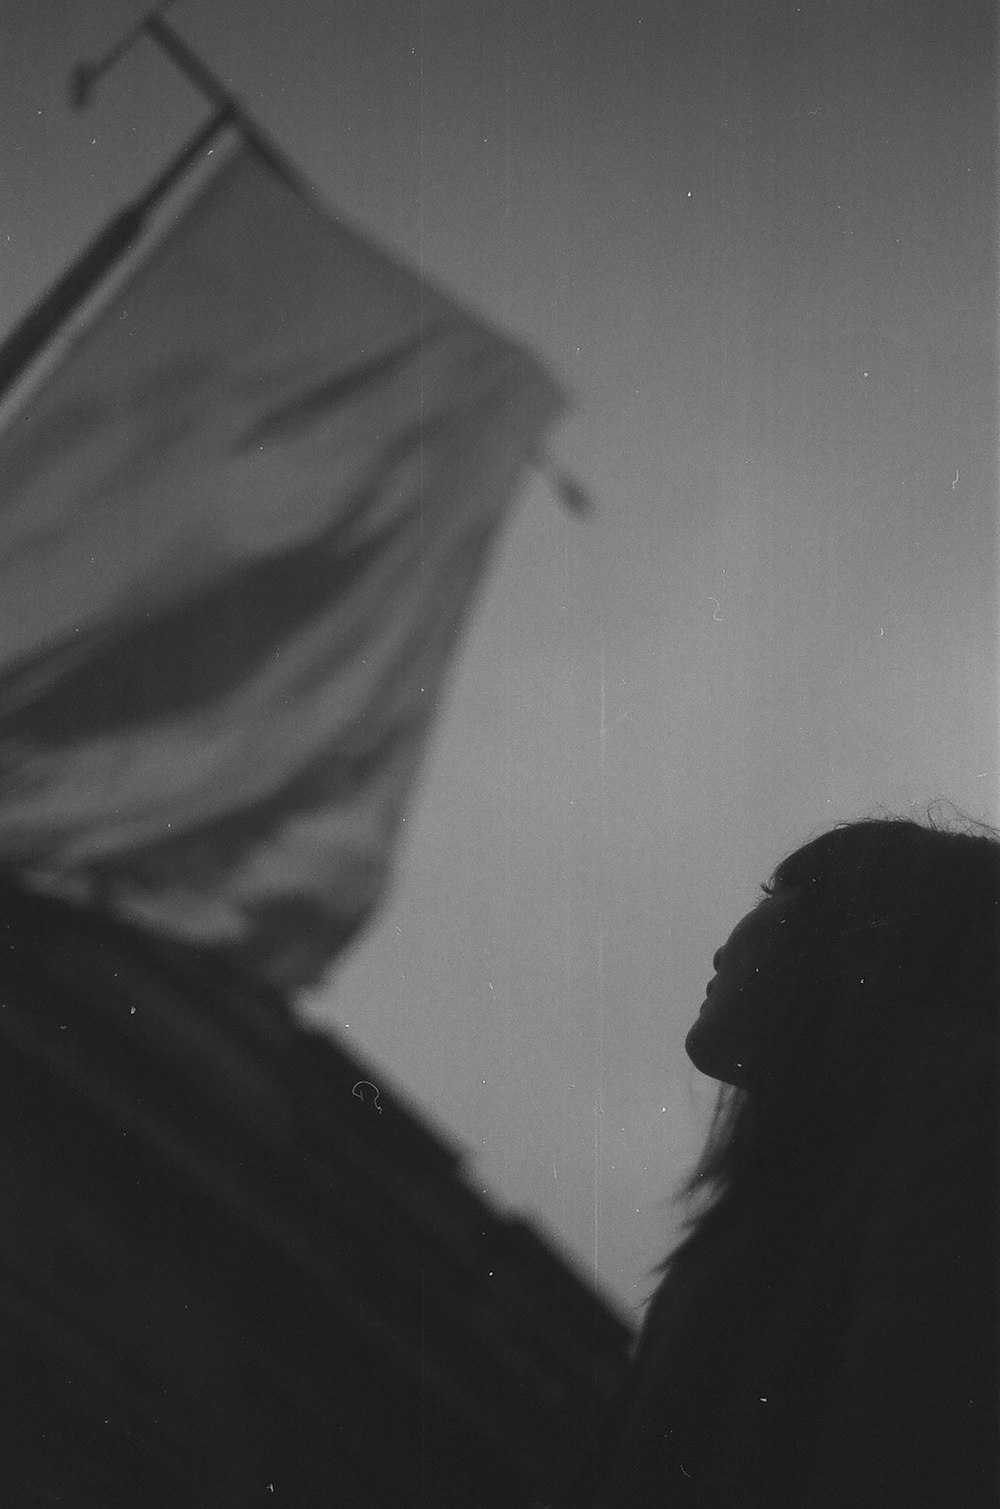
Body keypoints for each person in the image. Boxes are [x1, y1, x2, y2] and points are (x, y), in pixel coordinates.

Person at [557, 814, 1000, 1508]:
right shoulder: (793, 1186)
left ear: (867, 931)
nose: (724, 946)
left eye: (775, 892)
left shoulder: (967, 1121)